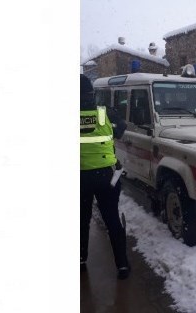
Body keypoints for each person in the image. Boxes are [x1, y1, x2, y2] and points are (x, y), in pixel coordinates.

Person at [80, 74, 130, 279]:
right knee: (111, 219)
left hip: (79, 178)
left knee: (81, 220)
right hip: (106, 177)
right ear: (92, 93)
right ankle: (122, 265)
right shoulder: (106, 113)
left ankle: (80, 260)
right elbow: (121, 131)